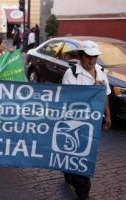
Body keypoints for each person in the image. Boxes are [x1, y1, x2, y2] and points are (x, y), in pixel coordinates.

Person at [62, 40, 111, 200]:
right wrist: (90, 90)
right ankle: (83, 193)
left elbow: (105, 94)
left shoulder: (100, 70)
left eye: (95, 56)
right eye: (89, 57)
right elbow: (69, 98)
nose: (92, 60)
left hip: (94, 122)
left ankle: (69, 171)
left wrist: (107, 115)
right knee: (80, 155)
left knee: (82, 153)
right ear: (81, 57)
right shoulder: (71, 73)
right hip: (76, 122)